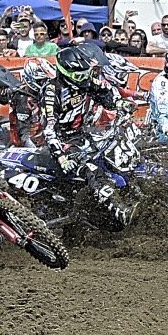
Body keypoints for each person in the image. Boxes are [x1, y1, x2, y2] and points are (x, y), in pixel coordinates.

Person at [42, 45, 136, 224]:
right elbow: (49, 129)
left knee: (115, 153)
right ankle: (119, 210)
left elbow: (105, 91)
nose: (84, 78)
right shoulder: (52, 92)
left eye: (86, 73)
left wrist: (119, 103)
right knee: (92, 169)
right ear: (65, 73)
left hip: (83, 133)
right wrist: (61, 157)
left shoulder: (85, 80)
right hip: (63, 142)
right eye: (80, 76)